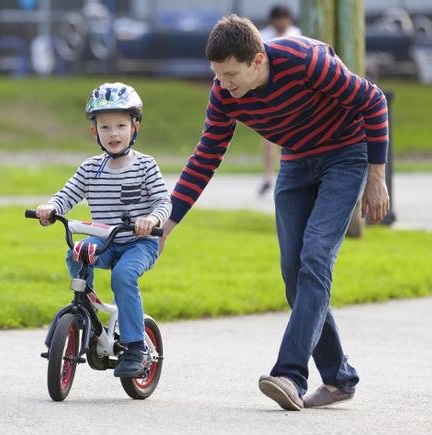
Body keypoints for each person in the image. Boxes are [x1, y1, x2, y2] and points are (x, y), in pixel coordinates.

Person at [161, 15, 389, 410]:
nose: (224, 84)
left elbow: (372, 99)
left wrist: (376, 175)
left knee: (315, 257)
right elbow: (205, 158)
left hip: (345, 155)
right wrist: (169, 223)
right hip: (297, 162)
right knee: (292, 271)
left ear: (258, 60)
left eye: (231, 74)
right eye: (218, 75)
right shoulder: (223, 94)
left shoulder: (306, 61)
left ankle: (290, 374)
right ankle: (339, 378)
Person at [35, 82, 171, 378]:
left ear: (135, 127)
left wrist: (152, 219)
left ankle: (135, 346)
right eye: (105, 127)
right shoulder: (90, 168)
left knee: (124, 276)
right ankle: (89, 312)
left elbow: (163, 201)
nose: (113, 134)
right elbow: (67, 194)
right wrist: (51, 208)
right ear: (94, 132)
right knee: (76, 254)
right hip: (106, 242)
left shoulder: (146, 166)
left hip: (139, 243)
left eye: (121, 125)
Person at [257, 5, 302, 196]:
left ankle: (294, 175)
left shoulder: (296, 35)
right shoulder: (262, 36)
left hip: (291, 92)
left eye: (285, 19)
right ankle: (268, 176)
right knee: (269, 138)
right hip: (268, 95)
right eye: (279, 19)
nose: (282, 23)